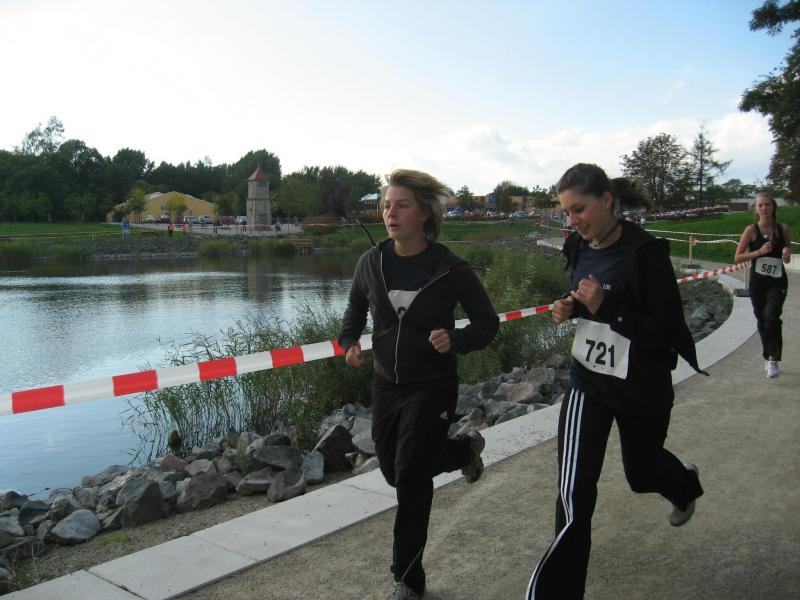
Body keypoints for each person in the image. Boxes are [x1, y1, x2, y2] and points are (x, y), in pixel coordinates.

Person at [527, 163, 706, 600]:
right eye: (566, 212)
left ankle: (683, 485)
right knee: (573, 494)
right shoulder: (577, 245)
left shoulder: (646, 254)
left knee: (641, 474)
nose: (573, 220)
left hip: (641, 387)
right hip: (588, 382)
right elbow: (585, 296)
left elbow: (666, 333)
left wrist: (607, 308)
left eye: (579, 209)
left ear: (607, 200)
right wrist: (569, 307)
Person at [338, 169, 499, 600]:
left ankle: (408, 579)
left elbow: (487, 323)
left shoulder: (450, 268)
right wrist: (349, 343)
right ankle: (462, 451)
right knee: (394, 470)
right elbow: (353, 310)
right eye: (386, 206)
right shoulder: (371, 262)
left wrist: (455, 339)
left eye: (401, 205)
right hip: (386, 383)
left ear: (424, 213)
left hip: (433, 383)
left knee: (410, 474)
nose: (390, 213)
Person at [734, 191, 791, 378]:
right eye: (760, 205)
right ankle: (768, 355)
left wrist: (786, 253)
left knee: (772, 316)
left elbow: (787, 250)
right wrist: (758, 252)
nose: (764, 208)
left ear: (773, 207)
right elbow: (738, 257)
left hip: (777, 280)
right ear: (756, 209)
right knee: (762, 319)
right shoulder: (751, 230)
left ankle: (773, 359)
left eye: (767, 204)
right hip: (758, 282)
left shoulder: (783, 228)